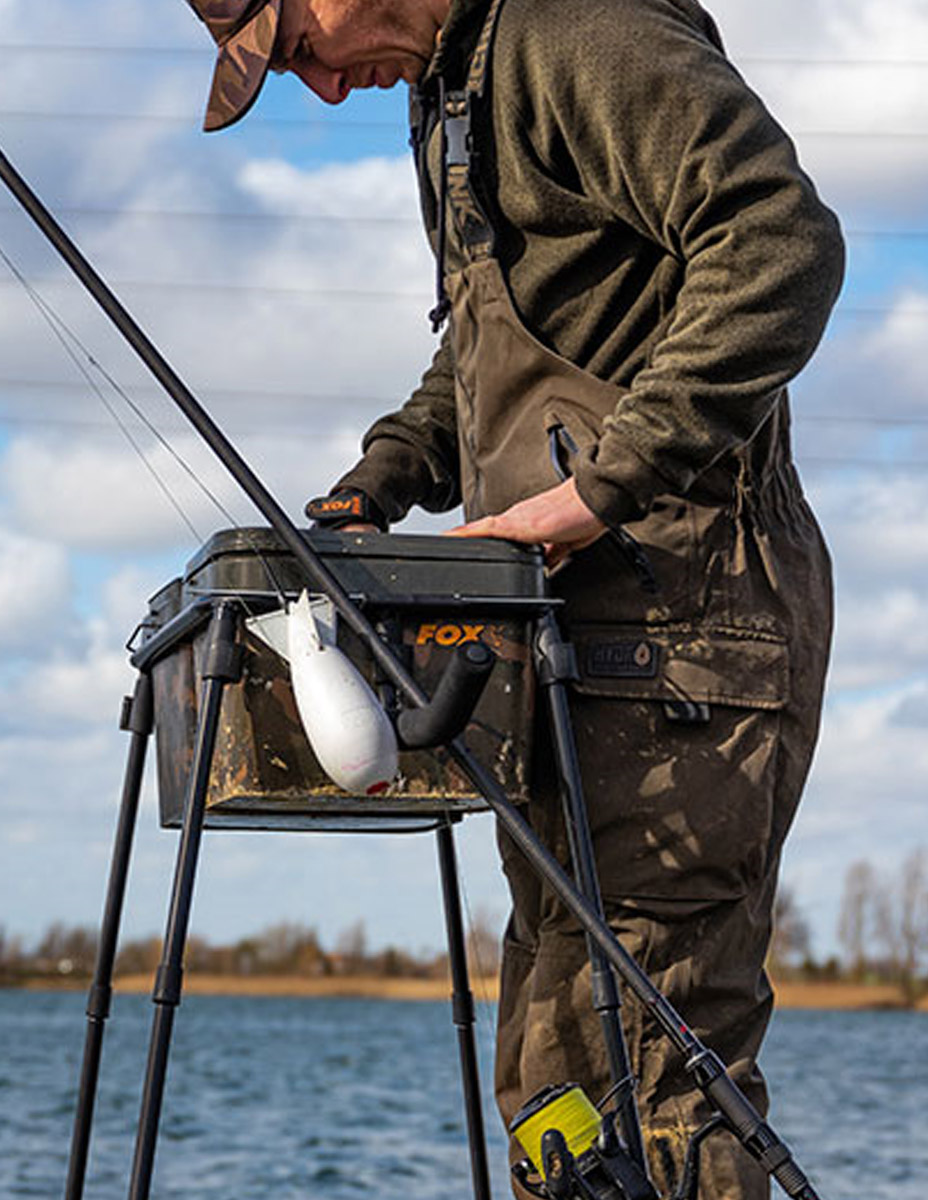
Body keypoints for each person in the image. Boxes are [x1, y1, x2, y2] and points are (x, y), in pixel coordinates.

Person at [186, 1, 844, 1196]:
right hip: (564, 648)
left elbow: (780, 240)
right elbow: (485, 351)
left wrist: (599, 492)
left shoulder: (574, 32)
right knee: (554, 1075)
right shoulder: (450, 93)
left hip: (686, 635)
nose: (325, 90)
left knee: (658, 1071)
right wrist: (372, 490)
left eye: (298, 54)